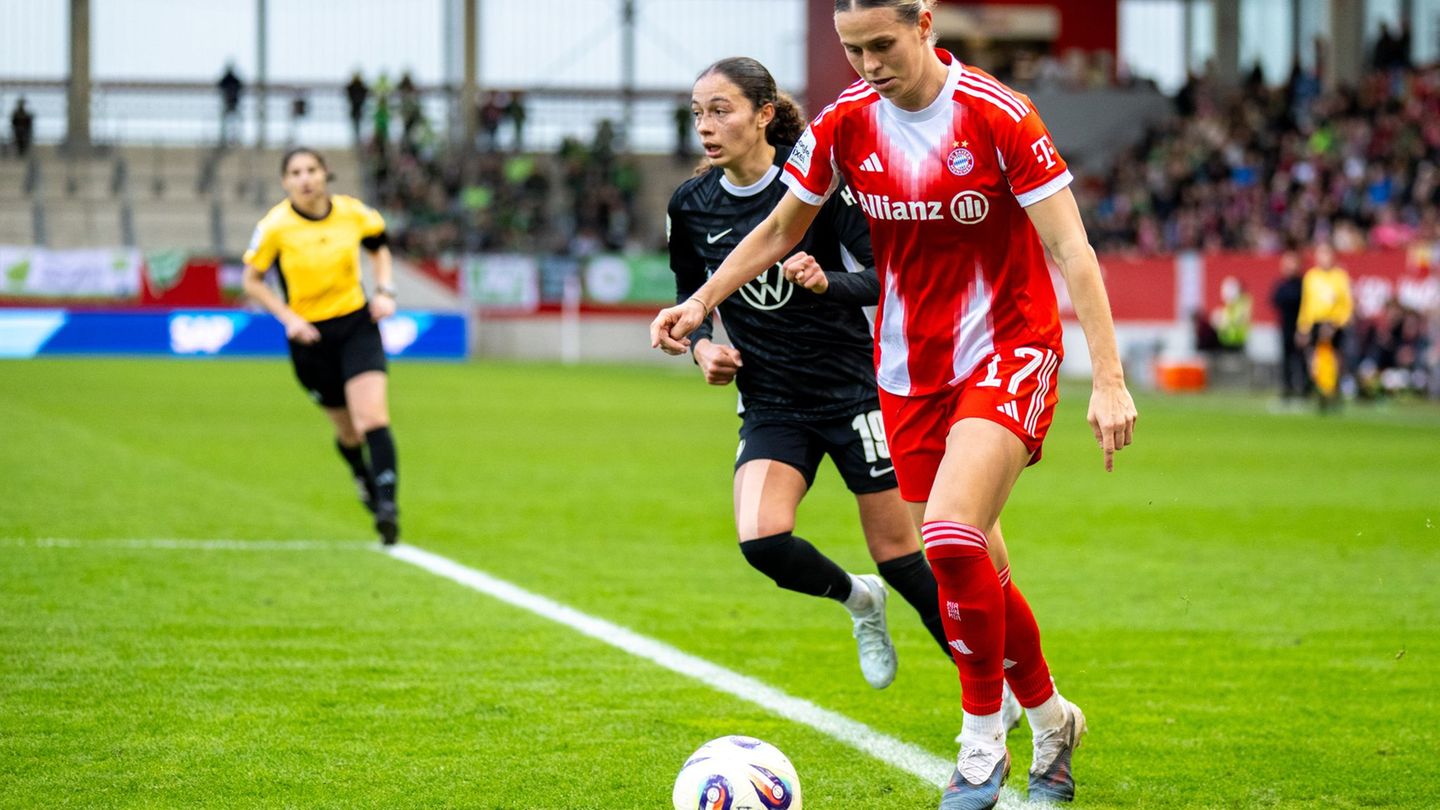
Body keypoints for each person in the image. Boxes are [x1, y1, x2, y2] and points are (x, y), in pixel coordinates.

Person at [651, 2, 1136, 807]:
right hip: (911, 369)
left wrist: (1110, 378)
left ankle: (981, 742)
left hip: (1010, 347)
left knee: (945, 536)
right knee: (978, 564)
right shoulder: (845, 124)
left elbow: (1070, 248)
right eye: (854, 49)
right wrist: (700, 303)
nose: (870, 63)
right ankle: (1053, 720)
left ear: (925, 24)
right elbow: (778, 230)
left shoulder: (999, 115)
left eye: (883, 44)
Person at [670, 56, 1025, 723]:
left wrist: (827, 282)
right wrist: (702, 347)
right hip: (772, 401)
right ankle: (859, 601)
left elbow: (892, 275)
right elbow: (692, 292)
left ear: (764, 115)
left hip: (856, 392)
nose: (706, 127)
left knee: (904, 557)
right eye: (697, 114)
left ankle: (993, 694)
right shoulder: (690, 204)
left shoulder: (818, 187)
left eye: (720, 111)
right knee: (762, 542)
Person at [241, 148, 403, 545]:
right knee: (348, 432)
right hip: (310, 338)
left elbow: (379, 247)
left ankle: (387, 507)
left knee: (372, 418)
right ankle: (361, 473)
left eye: (312, 169)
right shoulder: (275, 226)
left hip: (356, 325)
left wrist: (385, 290)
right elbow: (251, 280)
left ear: (325, 173)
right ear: (285, 182)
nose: (305, 178)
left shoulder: (353, 213)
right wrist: (289, 319)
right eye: (295, 172)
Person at [1296, 240, 1354, 408]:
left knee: (1334, 359)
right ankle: (1320, 391)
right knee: (1314, 360)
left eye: (1327, 253)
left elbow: (1347, 305)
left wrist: (1336, 324)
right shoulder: (1311, 277)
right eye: (1321, 253)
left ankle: (1333, 391)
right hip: (1316, 322)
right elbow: (1306, 304)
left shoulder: (1340, 276)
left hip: (1334, 325)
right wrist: (1303, 327)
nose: (1324, 257)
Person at [1270, 246, 1307, 402]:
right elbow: (1275, 300)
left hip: (1301, 327)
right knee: (1286, 360)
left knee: (1301, 359)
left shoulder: (1303, 284)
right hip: (1285, 328)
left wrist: (1304, 328)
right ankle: (1287, 388)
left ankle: (1304, 389)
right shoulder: (1281, 284)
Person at [217, 63, 242, 147]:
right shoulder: (233, 79)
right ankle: (227, 139)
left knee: (232, 123)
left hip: (231, 103)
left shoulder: (230, 79)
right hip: (231, 103)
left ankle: (231, 139)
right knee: (231, 122)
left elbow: (219, 85)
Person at [345, 71, 369, 144]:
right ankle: (357, 140)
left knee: (358, 125)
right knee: (356, 125)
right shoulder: (356, 87)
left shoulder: (356, 87)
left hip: (358, 109)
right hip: (356, 109)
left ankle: (358, 139)